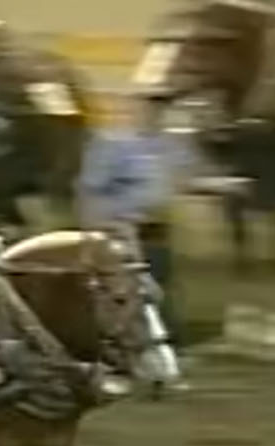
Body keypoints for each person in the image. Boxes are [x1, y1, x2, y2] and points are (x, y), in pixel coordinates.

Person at [79, 94, 194, 328]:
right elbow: (91, 187)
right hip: (123, 228)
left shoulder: (170, 145)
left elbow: (187, 176)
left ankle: (161, 337)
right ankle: (116, 334)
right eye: (149, 110)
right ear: (136, 111)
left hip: (157, 228)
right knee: (123, 286)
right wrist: (96, 228)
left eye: (160, 111)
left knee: (159, 283)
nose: (155, 116)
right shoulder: (113, 145)